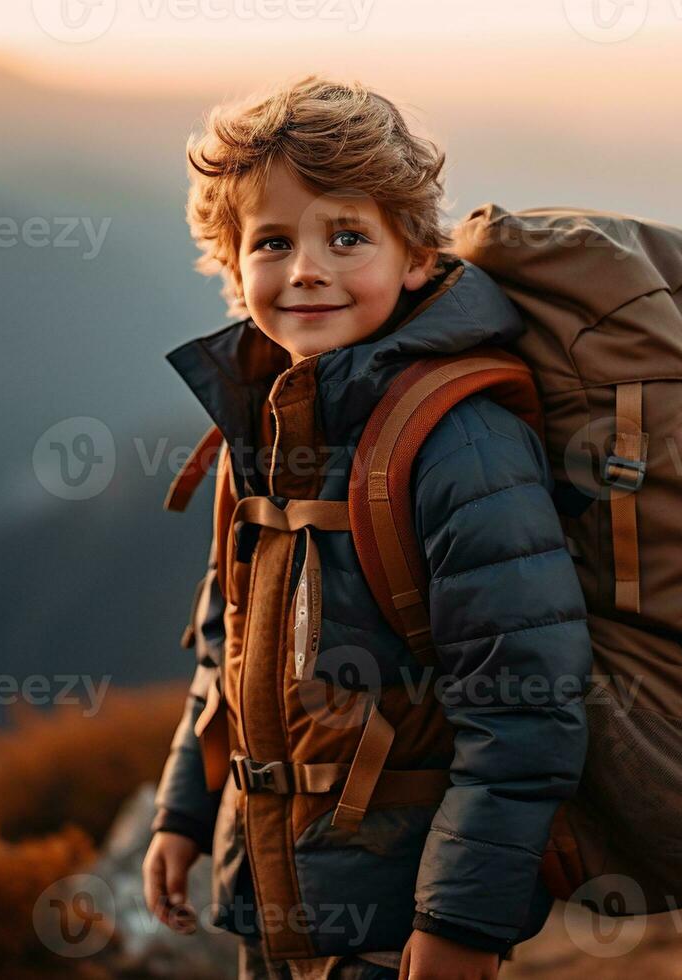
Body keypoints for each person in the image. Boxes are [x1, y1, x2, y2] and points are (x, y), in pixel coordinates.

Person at [142, 75, 592, 980]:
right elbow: (224, 653)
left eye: (347, 236)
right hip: (269, 901)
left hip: (395, 924)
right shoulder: (261, 430)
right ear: (234, 270)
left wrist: (459, 925)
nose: (307, 267)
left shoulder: (463, 443)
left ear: (416, 256)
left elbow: (525, 708)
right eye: (273, 241)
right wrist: (185, 813)